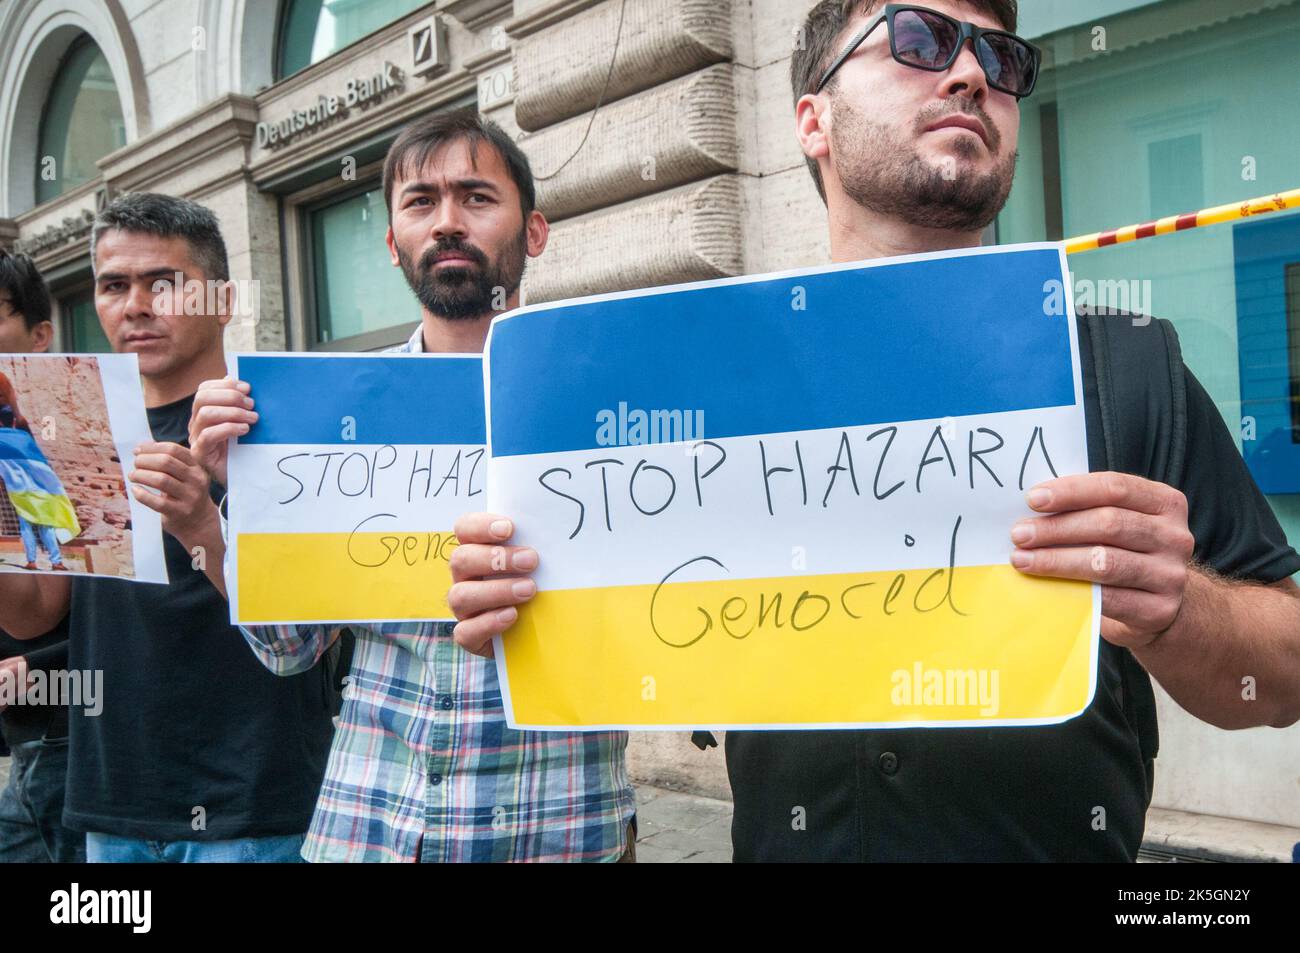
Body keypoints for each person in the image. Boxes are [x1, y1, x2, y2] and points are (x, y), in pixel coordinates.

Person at [449, 0, 1300, 862]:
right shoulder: (704, 380)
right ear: (812, 119)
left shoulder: (1130, 362)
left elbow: (1281, 677)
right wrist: (533, 595)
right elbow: (643, 628)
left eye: (1001, 60)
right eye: (920, 40)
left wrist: (1178, 607)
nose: (972, 74)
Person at [189, 110, 636, 863]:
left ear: (534, 231)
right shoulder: (329, 414)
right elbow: (287, 648)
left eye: (477, 196)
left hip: (562, 826)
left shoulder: (610, 399)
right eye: (421, 202)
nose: (448, 221)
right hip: (375, 828)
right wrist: (246, 494)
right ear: (393, 244)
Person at [0, 195, 335, 863]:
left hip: (257, 806)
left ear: (225, 299)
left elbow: (315, 621)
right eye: (114, 285)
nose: (136, 304)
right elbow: (37, 612)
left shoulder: (279, 419)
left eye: (165, 282)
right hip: (113, 804)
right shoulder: (75, 423)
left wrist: (203, 527)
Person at [0, 250, 82, 862]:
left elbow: (41, 605)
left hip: (70, 745)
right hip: (23, 749)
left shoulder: (54, 441)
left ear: (40, 335)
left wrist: (43, 668)